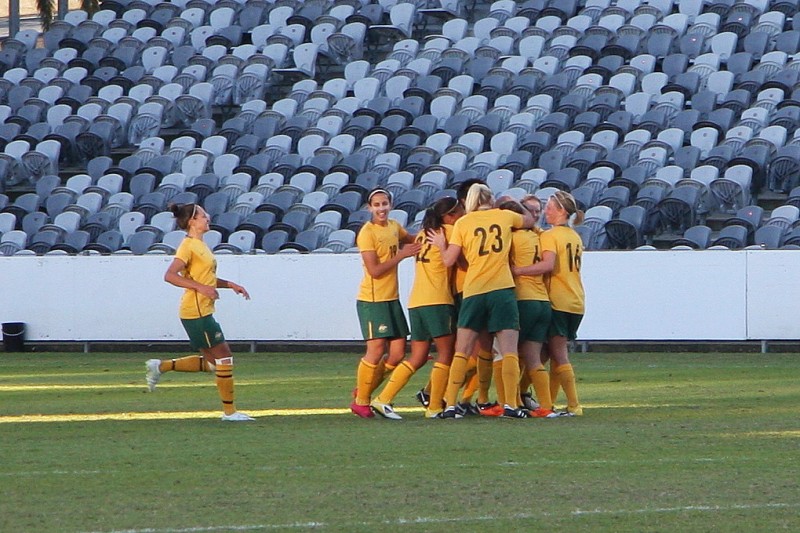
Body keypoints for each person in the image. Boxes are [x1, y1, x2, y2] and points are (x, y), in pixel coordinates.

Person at [428, 183, 535, 418]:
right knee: (509, 351)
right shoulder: (504, 216)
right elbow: (529, 220)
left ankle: (450, 405)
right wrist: (514, 203)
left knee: (462, 350)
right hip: (502, 289)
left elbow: (448, 261)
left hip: (474, 290)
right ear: (490, 199)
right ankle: (511, 405)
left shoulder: (463, 223)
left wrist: (441, 245)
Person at [145, 203, 254, 422]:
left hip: (199, 311)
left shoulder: (200, 245)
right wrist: (201, 288)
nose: (208, 217)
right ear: (192, 221)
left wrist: (229, 284)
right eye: (203, 215)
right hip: (197, 312)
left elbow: (205, 278)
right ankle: (230, 413)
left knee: (214, 363)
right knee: (224, 358)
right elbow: (170, 275)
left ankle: (161, 366)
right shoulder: (187, 246)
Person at [371, 196, 463, 419]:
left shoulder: (423, 234)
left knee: (418, 356)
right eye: (460, 211)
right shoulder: (450, 232)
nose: (463, 215)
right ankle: (434, 407)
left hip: (417, 302)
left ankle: (383, 399)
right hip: (438, 301)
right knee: (446, 353)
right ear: (449, 216)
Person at [511, 190, 585, 416]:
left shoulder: (551, 236)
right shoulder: (574, 236)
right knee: (546, 353)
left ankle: (572, 405)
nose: (546, 212)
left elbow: (547, 265)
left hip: (557, 299)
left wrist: (518, 270)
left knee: (558, 354)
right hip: (576, 299)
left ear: (562, 211)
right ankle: (533, 396)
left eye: (550, 208)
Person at [351, 188, 421, 418]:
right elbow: (374, 270)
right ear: (369, 208)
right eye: (377, 205)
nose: (381, 208)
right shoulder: (367, 233)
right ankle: (361, 401)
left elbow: (412, 240)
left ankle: (366, 388)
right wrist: (401, 255)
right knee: (376, 350)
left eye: (384, 204)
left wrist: (433, 234)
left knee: (398, 353)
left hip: (391, 298)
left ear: (390, 205)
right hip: (373, 300)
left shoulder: (394, 226)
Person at [500, 197, 560, 418]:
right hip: (542, 301)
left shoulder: (511, 238)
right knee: (534, 357)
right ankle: (546, 407)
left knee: (510, 354)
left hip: (522, 299)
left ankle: (512, 402)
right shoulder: (538, 236)